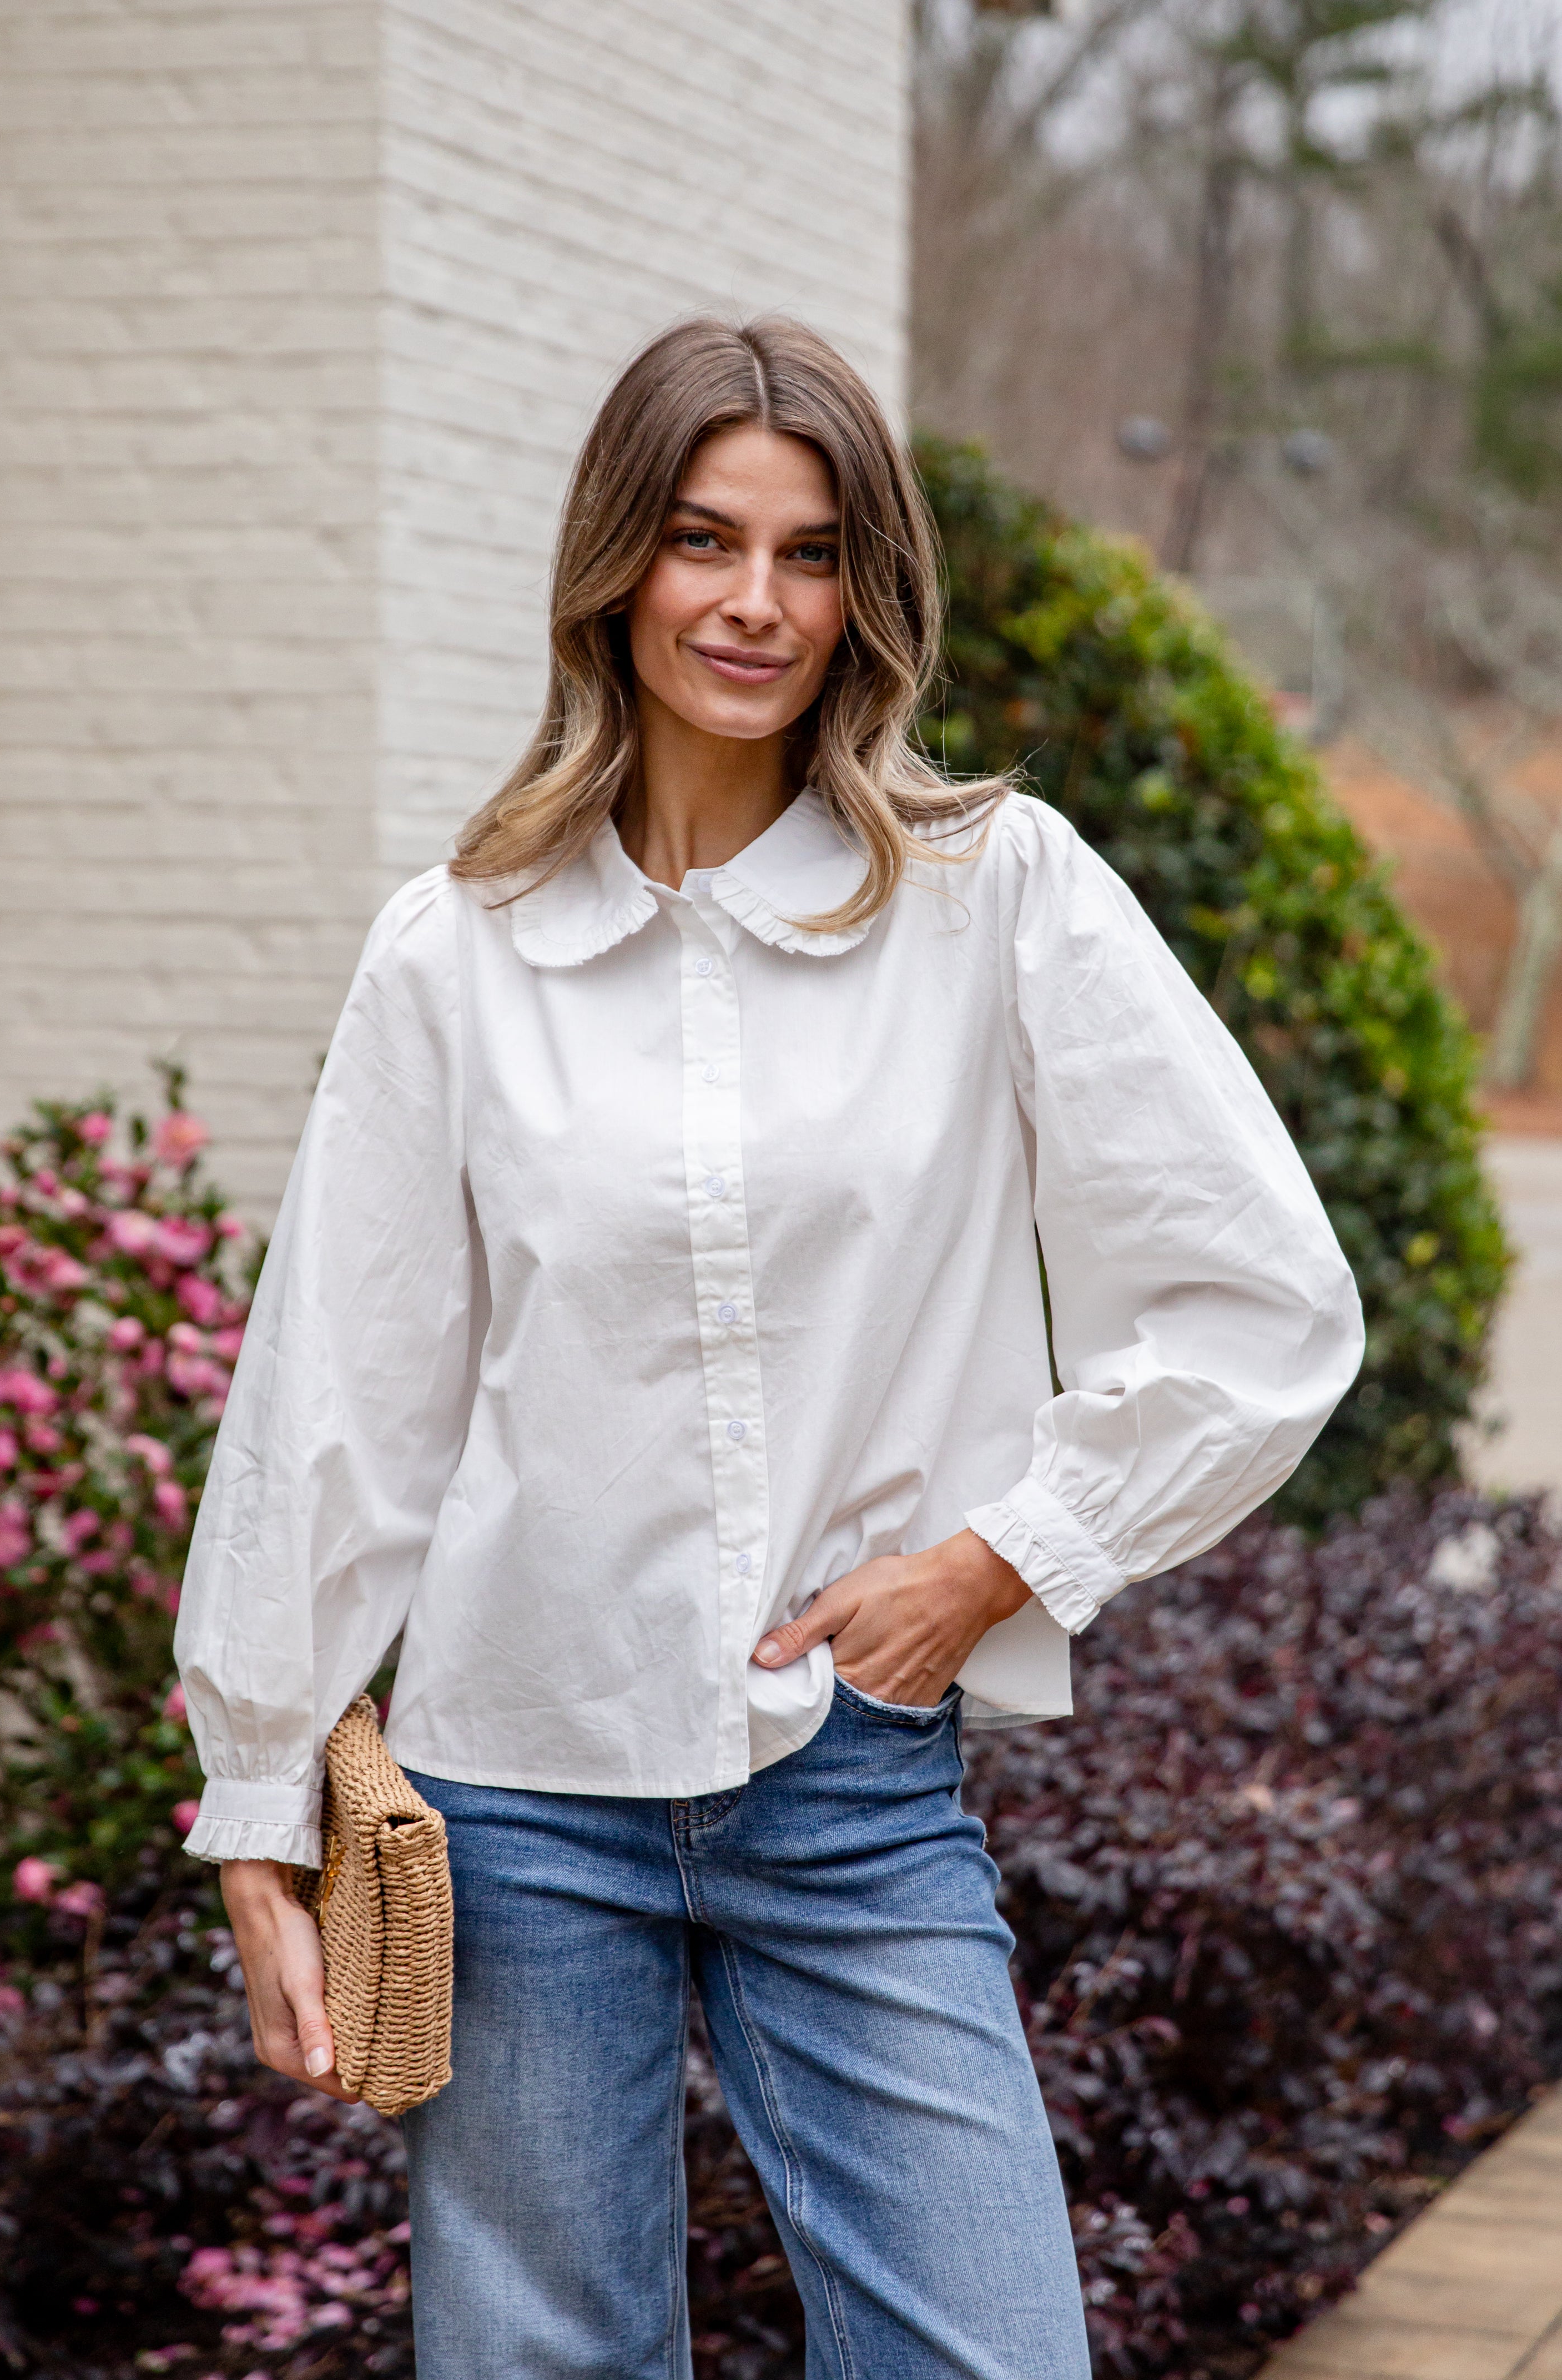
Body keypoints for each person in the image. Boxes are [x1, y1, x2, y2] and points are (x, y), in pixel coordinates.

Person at [175, 316, 1364, 2380]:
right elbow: (337, 1405)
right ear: (612, 565)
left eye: (808, 554)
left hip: (858, 1787)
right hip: (512, 1792)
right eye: (703, 541)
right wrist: (259, 1811)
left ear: (862, 588)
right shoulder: (456, 953)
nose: (752, 603)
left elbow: (1259, 1298)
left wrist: (1000, 1562)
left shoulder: (996, 896)